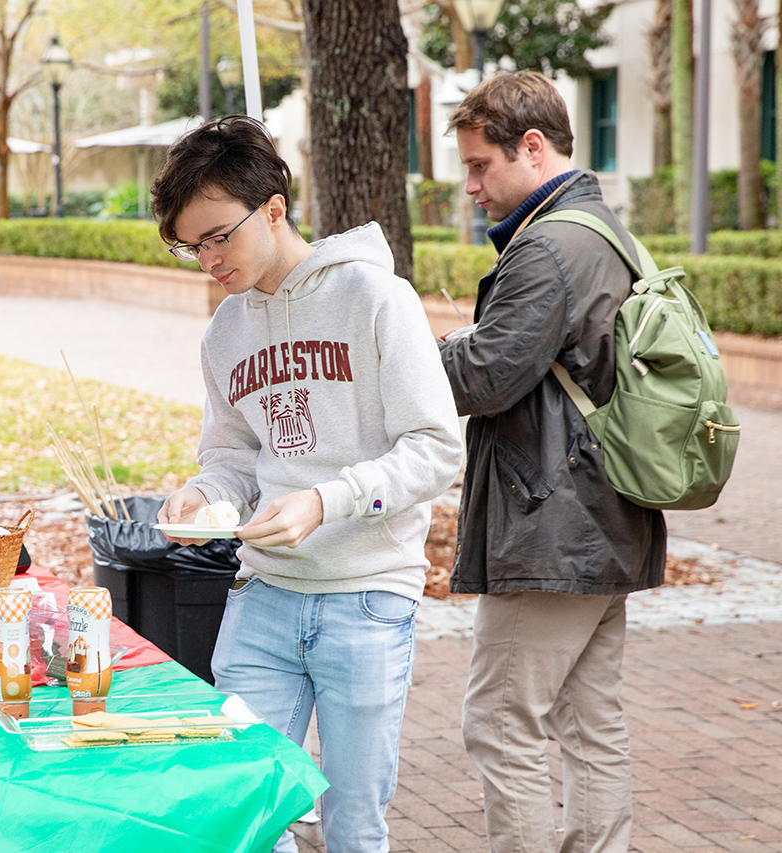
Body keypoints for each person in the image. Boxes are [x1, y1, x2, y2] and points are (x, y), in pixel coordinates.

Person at [150, 116, 463, 853]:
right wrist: (203, 492)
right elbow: (233, 456)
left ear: (273, 208)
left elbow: (436, 448)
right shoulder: (225, 332)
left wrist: (329, 497)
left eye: (218, 236)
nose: (206, 259)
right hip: (261, 595)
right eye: (190, 245)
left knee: (355, 826)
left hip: (367, 594)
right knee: (245, 814)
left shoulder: (376, 299)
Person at [438, 70, 666, 853]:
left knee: (501, 724)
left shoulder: (549, 247)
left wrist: (415, 353)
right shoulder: (607, 231)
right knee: (590, 722)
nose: (471, 186)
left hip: (551, 530)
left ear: (533, 148)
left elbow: (486, 376)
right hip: (608, 521)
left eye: (480, 165)